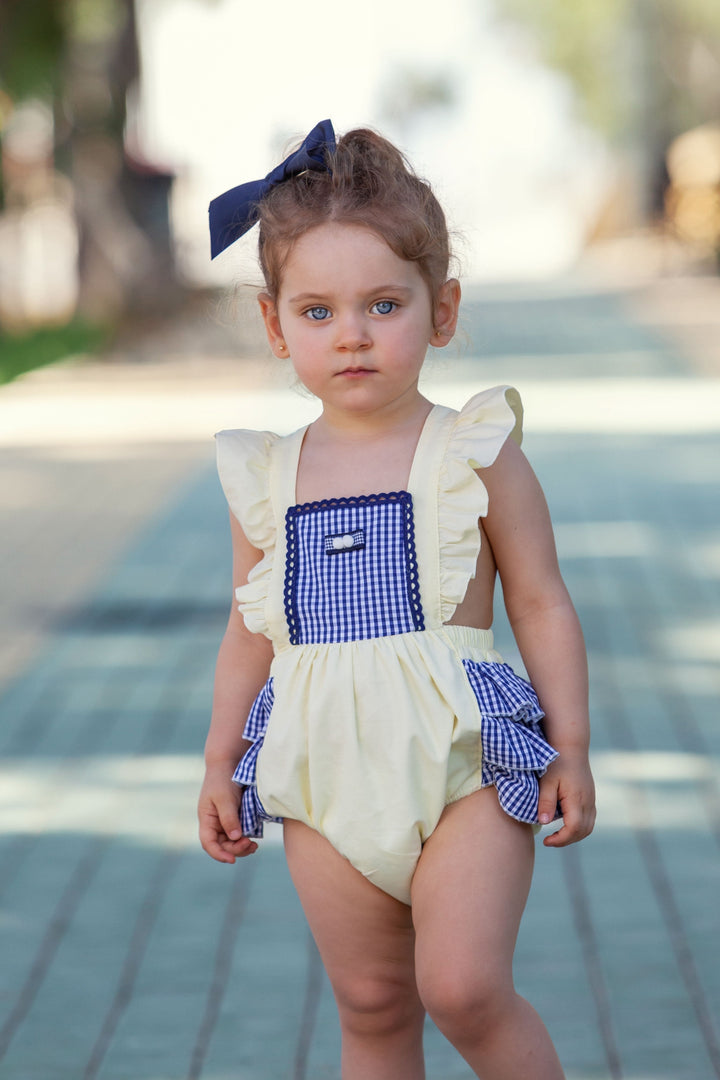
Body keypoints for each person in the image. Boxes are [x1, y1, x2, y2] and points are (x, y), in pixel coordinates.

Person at [198, 119, 596, 1079]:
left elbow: (541, 601)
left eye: (384, 304)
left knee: (461, 988)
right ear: (273, 322)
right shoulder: (268, 475)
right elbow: (252, 627)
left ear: (442, 308)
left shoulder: (477, 451)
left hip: (463, 759)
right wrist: (219, 760)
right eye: (319, 312)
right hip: (322, 765)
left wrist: (573, 745)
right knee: (372, 1005)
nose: (355, 336)